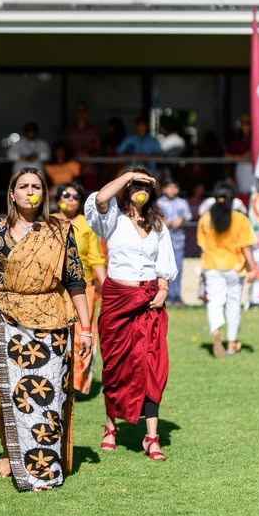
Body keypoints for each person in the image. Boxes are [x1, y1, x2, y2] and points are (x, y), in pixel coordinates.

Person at [0, 166, 91, 492]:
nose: (30, 191)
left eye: (36, 186)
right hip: (6, 317)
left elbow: (76, 281)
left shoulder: (60, 231)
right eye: (23, 186)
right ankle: (12, 450)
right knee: (9, 395)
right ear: (12, 193)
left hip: (52, 317)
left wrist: (88, 328)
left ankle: (43, 472)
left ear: (44, 193)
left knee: (46, 397)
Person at [84, 166, 177, 460]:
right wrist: (128, 176)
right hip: (118, 301)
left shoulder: (157, 223)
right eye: (137, 185)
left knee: (152, 366)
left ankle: (152, 437)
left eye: (147, 186)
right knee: (116, 368)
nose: (142, 190)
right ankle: (110, 426)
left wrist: (163, 289)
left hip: (150, 301)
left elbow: (165, 261)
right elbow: (100, 198)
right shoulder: (111, 218)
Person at [53, 181, 106, 394]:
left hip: (84, 290)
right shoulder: (49, 223)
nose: (70, 199)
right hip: (54, 290)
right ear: (58, 199)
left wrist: (108, 287)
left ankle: (75, 384)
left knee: (82, 336)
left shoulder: (86, 225)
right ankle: (55, 381)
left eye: (75, 197)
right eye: (66, 195)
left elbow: (96, 258)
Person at [196, 181, 257, 359]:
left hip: (212, 265)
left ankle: (216, 330)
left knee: (214, 302)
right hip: (234, 267)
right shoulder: (240, 219)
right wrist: (253, 267)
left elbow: (202, 245)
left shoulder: (205, 219)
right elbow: (246, 247)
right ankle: (231, 343)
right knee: (233, 304)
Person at [157, 178, 192, 306]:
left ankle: (176, 296)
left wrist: (181, 220)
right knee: (163, 269)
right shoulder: (159, 203)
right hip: (162, 242)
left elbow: (188, 217)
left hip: (178, 241)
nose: (172, 190)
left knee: (177, 268)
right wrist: (161, 220)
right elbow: (154, 215)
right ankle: (165, 295)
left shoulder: (182, 203)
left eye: (174, 187)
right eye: (169, 187)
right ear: (163, 189)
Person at [62, 101, 101, 190]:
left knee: (90, 196)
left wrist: (88, 155)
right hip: (71, 170)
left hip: (89, 170)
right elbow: (62, 150)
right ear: (75, 113)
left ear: (87, 113)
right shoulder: (69, 131)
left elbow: (98, 149)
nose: (81, 113)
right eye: (78, 110)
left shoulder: (93, 131)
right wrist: (75, 154)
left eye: (83, 110)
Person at [224, 113, 257, 201]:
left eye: (248, 123)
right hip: (241, 168)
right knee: (242, 192)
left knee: (255, 193)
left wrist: (248, 155)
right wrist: (242, 157)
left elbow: (255, 154)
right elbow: (226, 155)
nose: (246, 126)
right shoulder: (237, 139)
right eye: (244, 124)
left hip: (255, 168)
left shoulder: (256, 138)